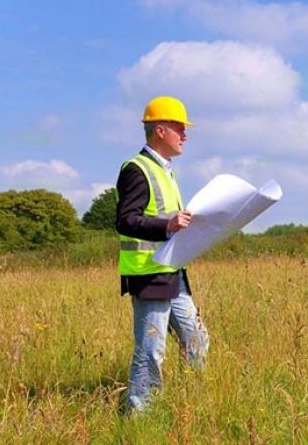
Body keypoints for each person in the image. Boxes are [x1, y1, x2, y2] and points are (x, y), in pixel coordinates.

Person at [115, 95, 209, 412]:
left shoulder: (165, 170)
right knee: (150, 350)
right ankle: (137, 417)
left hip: (173, 272)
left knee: (197, 339)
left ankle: (192, 404)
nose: (185, 135)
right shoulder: (136, 169)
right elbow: (126, 220)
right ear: (160, 130)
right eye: (180, 128)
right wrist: (167, 225)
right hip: (149, 273)